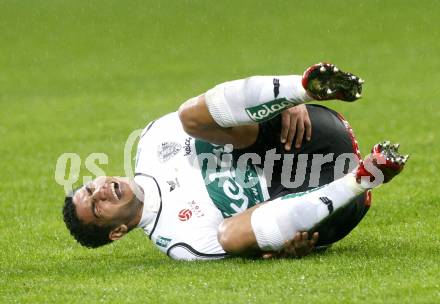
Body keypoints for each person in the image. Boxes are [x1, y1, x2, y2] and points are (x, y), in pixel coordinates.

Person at [62, 63, 408, 260]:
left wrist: (286, 103)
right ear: (118, 232)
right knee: (229, 235)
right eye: (96, 207)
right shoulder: (181, 242)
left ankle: (303, 88)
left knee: (189, 117)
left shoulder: (152, 139)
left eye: (90, 187)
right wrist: (283, 249)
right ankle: (364, 177)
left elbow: (222, 110)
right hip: (328, 200)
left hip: (307, 133)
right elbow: (257, 249)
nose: (101, 192)